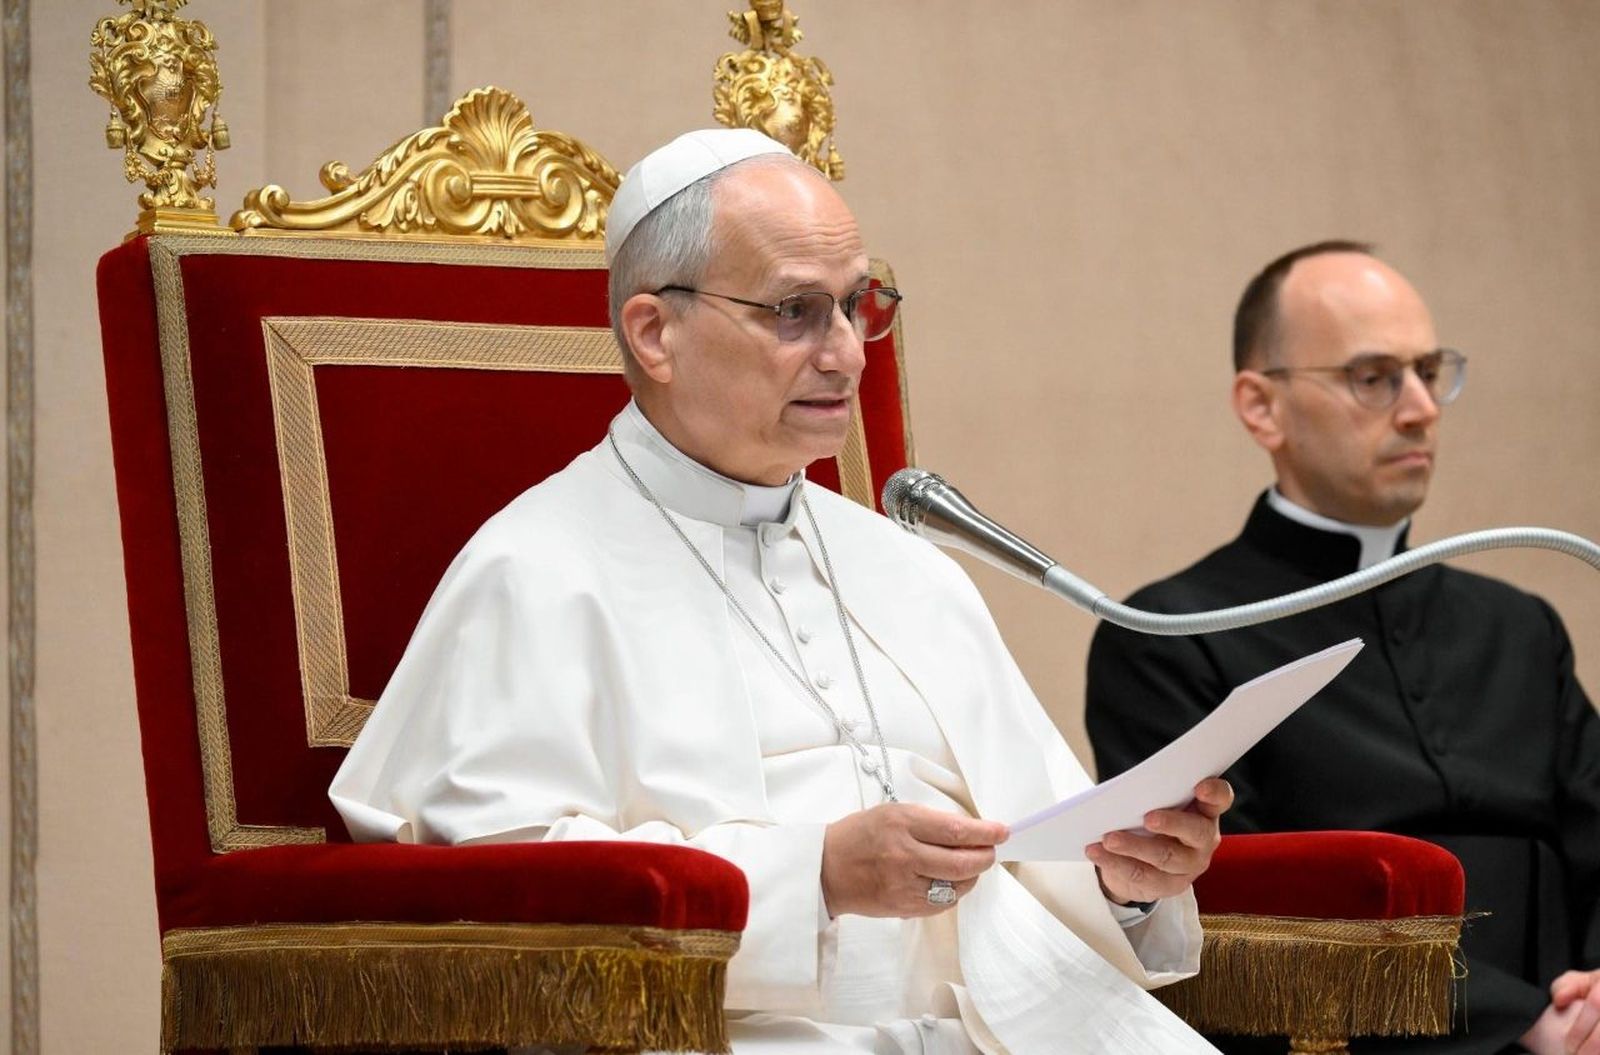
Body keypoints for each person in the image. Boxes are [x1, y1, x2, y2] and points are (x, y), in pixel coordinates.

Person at [330, 128, 1232, 1054]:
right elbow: (498, 891)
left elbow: (1037, 854)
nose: (846, 353)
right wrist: (817, 877)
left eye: (856, 305)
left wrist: (1125, 880)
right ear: (655, 333)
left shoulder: (910, 569)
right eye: (795, 311)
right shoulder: (533, 571)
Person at [1085, 241, 1600, 1055]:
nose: (1421, 406)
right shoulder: (1172, 635)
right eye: (1374, 377)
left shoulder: (1521, 628)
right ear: (1262, 407)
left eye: (1430, 371)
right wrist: (1525, 1018)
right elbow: (1236, 909)